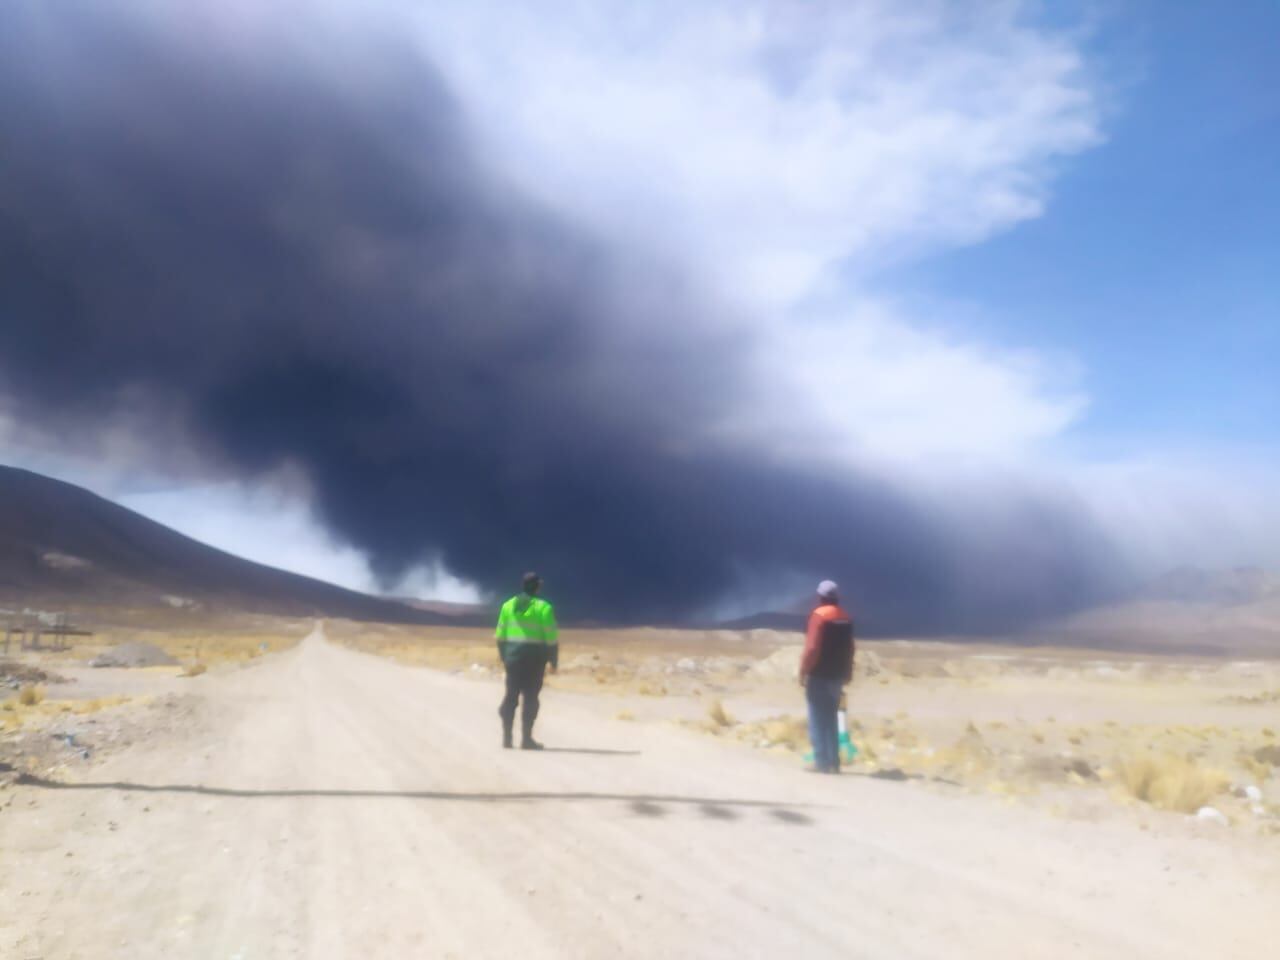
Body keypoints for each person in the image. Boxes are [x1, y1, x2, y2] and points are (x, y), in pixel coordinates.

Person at [495, 571, 559, 750]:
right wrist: (553, 661)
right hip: (535, 661)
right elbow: (551, 638)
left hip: (513, 659)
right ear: (537, 586)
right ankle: (526, 739)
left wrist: (504, 657)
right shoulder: (544, 608)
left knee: (511, 697)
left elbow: (500, 636)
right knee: (531, 699)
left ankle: (507, 739)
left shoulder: (507, 606)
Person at [799, 580, 854, 773]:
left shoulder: (819, 616)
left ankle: (821, 762)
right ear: (837, 597)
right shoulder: (845, 617)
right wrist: (848, 672)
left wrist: (803, 670)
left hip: (819, 674)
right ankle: (834, 762)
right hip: (837, 675)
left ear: (820, 597)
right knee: (831, 718)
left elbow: (812, 648)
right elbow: (850, 649)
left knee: (817, 717)